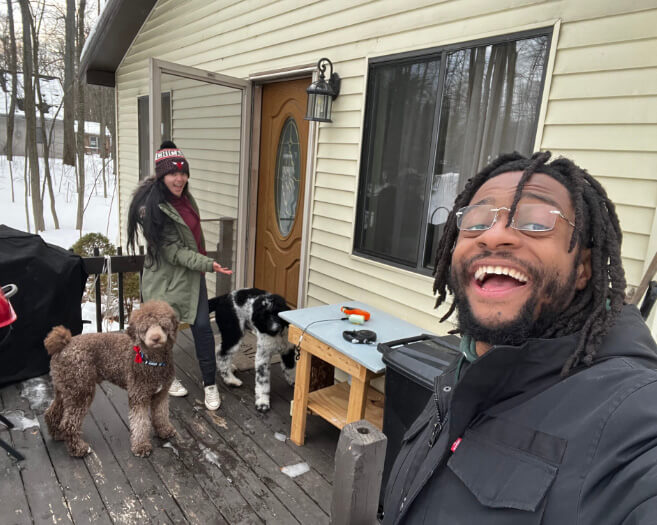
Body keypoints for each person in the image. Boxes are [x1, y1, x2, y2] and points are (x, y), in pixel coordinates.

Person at [383, 151, 657, 524]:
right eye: (476, 220)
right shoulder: (468, 365)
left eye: (535, 221)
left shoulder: (633, 416)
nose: (494, 234)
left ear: (582, 270)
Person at [126, 141, 232, 411]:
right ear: (162, 175)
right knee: (163, 331)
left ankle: (210, 384)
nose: (180, 178)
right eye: (173, 173)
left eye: (183, 173)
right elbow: (174, 251)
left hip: (191, 276)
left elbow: (193, 238)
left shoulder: (185, 197)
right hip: (166, 280)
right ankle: (163, 377)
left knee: (202, 327)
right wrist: (208, 263)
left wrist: (202, 264)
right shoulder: (152, 209)